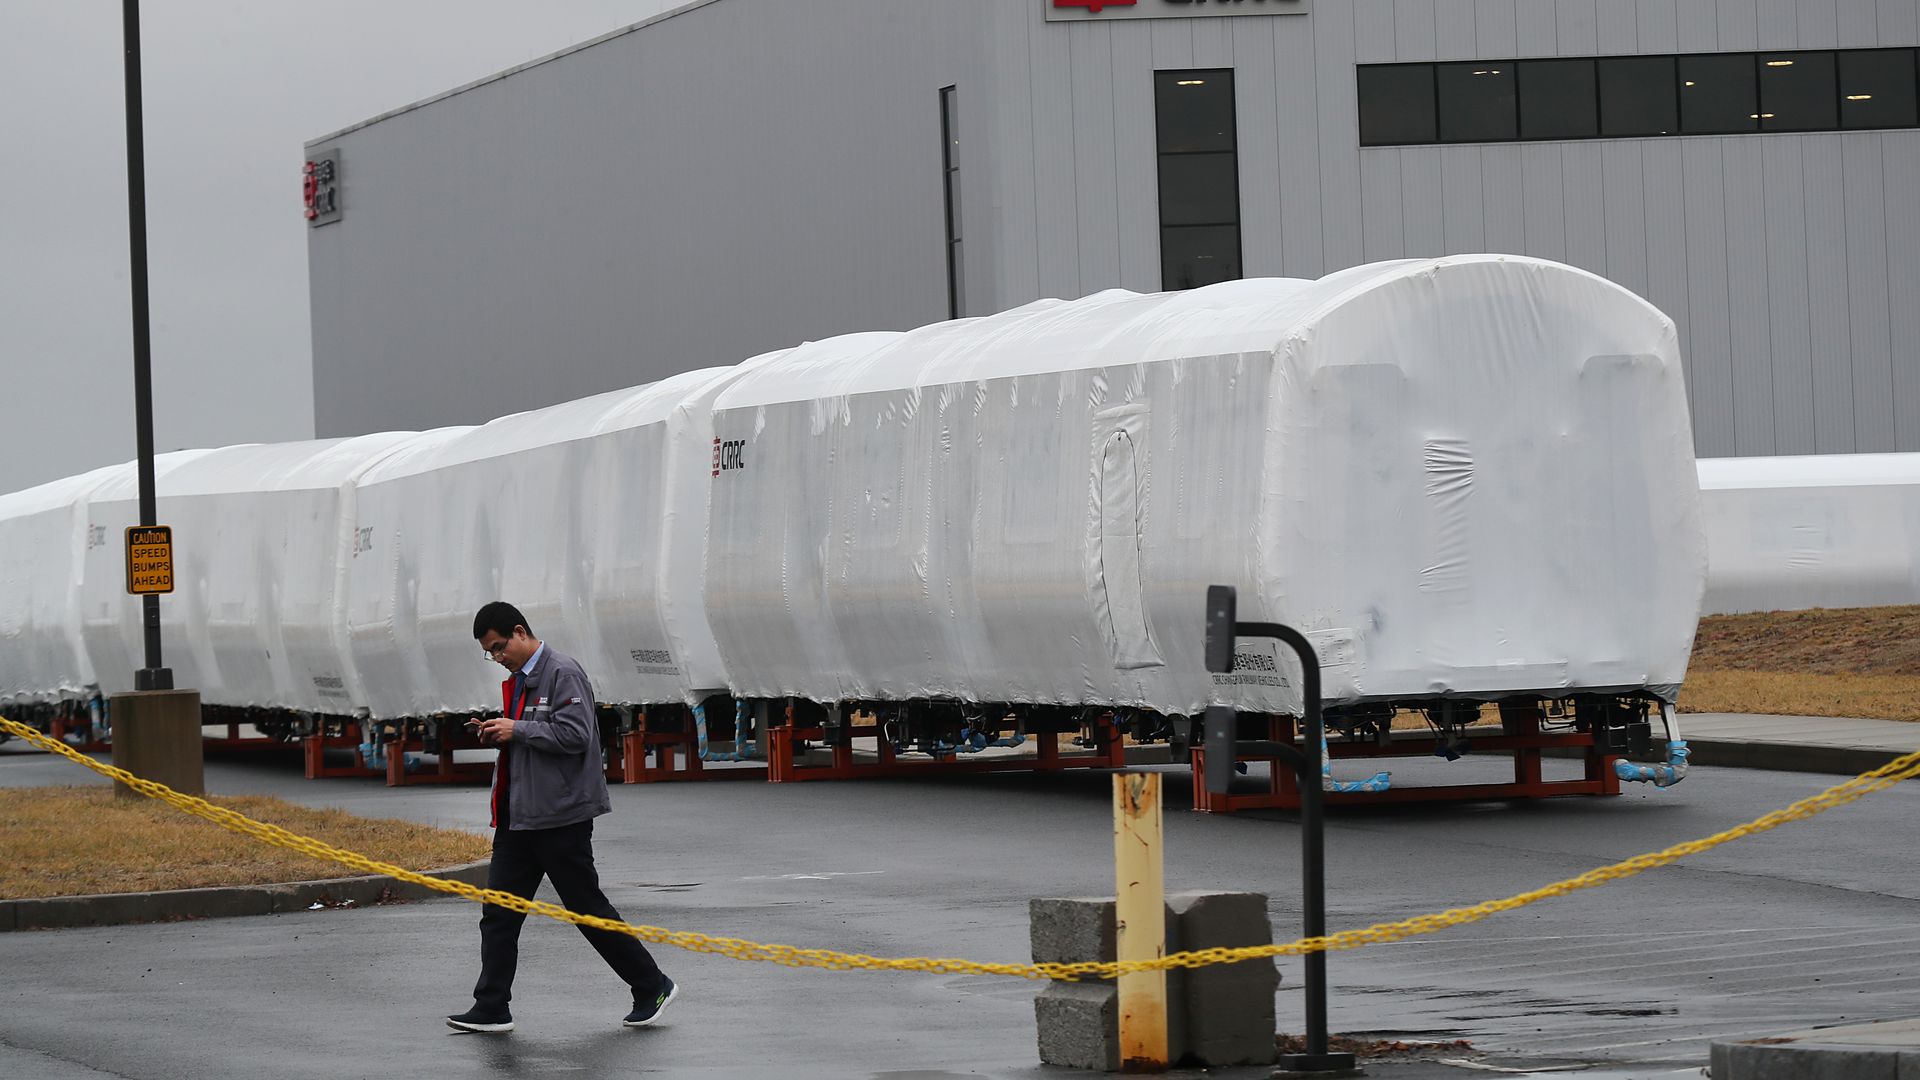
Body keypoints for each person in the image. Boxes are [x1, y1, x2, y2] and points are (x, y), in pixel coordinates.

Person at [445, 601, 678, 1034]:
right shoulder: (520, 679)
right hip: (519, 818)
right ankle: (492, 1007)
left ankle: (653, 985)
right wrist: (498, 731)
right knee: (499, 912)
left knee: (585, 907)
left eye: (498, 647)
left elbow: (576, 736)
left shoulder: (563, 673)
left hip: (560, 817)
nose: (497, 657)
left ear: (520, 632)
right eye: (490, 653)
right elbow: (532, 737)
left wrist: (516, 729)